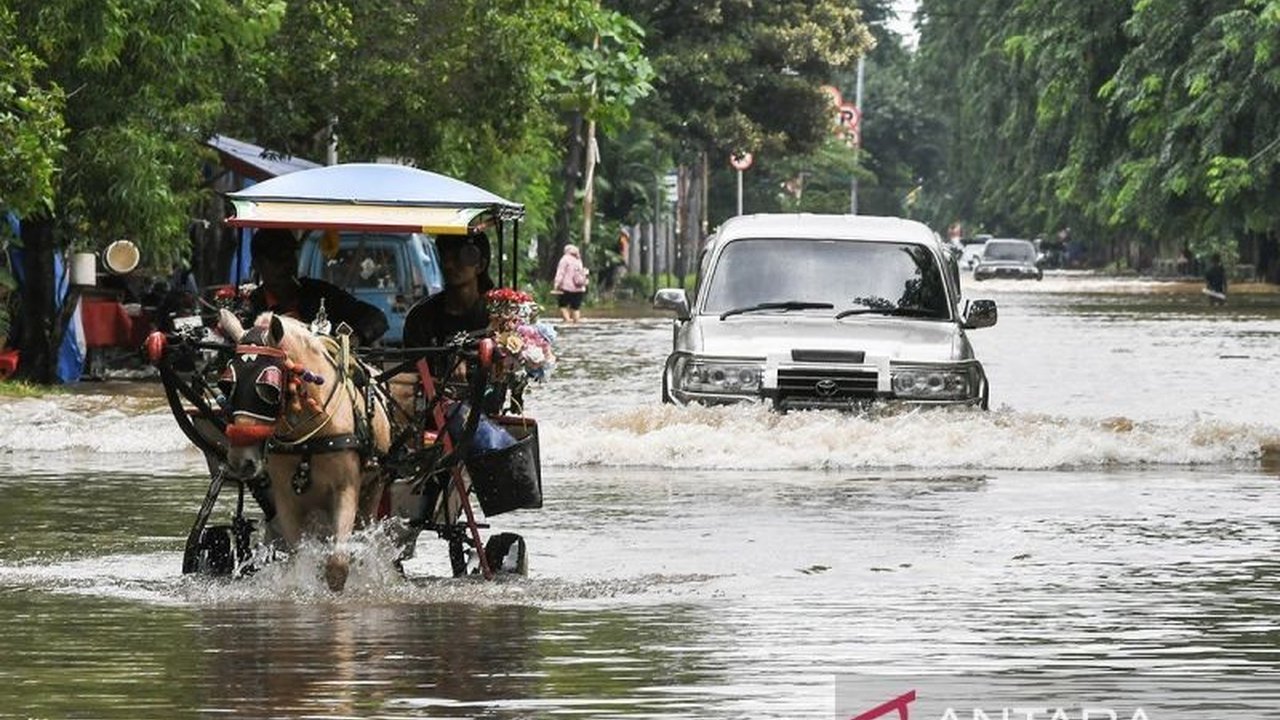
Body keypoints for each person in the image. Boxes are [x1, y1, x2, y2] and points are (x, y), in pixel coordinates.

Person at [246, 227, 388, 345]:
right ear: (257, 265)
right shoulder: (250, 310)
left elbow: (376, 318)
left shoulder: (321, 296)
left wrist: (355, 339)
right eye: (277, 259)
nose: (286, 265)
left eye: (290, 256)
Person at [403, 232, 495, 349]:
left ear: (480, 265)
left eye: (459, 257)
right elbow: (414, 364)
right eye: (444, 257)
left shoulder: (497, 316)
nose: (448, 265)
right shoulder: (421, 317)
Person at [552, 243, 589, 323]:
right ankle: (576, 321)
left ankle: (567, 320)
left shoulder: (564, 259)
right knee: (576, 307)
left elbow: (560, 272)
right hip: (579, 288)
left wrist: (557, 284)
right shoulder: (578, 260)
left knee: (563, 305)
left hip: (566, 288)